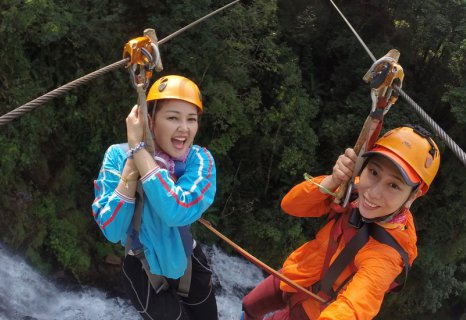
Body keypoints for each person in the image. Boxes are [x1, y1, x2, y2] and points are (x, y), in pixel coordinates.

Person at [242, 125, 441, 319]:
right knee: (249, 306)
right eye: (373, 172)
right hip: (296, 272)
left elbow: (355, 306)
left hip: (311, 311)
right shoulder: (351, 193)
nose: (373, 192)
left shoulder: (387, 254)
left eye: (394, 185)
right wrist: (333, 180)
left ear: (414, 195)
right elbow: (291, 205)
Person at [92, 75, 218, 320]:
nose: (184, 128)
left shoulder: (199, 159)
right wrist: (133, 158)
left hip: (188, 263)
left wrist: (139, 151)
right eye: (173, 117)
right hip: (142, 271)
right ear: (150, 122)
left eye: (191, 119)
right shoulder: (117, 156)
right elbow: (112, 229)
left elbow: (176, 211)